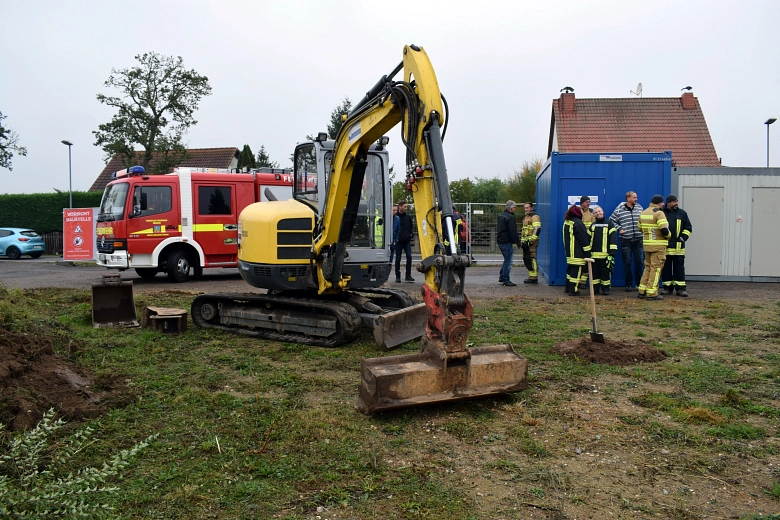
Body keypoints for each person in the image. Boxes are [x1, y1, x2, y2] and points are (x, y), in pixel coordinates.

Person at [610, 191, 644, 291]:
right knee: (627, 263)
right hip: (626, 240)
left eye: (636, 197)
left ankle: (639, 284)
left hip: (638, 239)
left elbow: (643, 220)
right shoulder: (620, 209)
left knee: (639, 262)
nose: (636, 199)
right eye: (634, 197)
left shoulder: (639, 208)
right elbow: (612, 220)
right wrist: (619, 229)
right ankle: (628, 284)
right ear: (628, 198)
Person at [638, 194, 671, 300]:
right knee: (656, 269)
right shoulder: (659, 213)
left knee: (647, 267)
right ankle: (652, 293)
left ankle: (642, 290)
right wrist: (669, 236)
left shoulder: (643, 213)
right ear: (660, 203)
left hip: (647, 245)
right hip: (658, 245)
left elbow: (640, 229)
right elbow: (664, 230)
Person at [662, 194, 692, 297]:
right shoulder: (662, 213)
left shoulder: (682, 213)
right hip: (665, 247)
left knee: (679, 269)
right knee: (666, 268)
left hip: (678, 247)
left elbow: (688, 227)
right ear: (668, 203)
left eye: (677, 201)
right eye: (674, 202)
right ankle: (667, 288)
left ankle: (681, 289)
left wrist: (683, 238)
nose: (676, 203)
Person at [563, 205, 591, 296]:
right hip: (577, 252)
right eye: (582, 211)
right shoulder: (578, 223)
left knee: (570, 271)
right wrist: (587, 252)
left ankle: (567, 288)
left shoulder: (567, 222)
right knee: (576, 272)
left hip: (569, 252)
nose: (583, 213)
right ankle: (573, 290)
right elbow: (584, 239)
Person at [589, 206, 617, 295]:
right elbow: (588, 239)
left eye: (599, 211)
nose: (598, 213)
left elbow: (613, 238)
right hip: (594, 256)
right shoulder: (592, 225)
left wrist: (612, 252)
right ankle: (595, 289)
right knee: (595, 274)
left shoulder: (610, 224)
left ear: (603, 211)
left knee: (605, 273)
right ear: (594, 215)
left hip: (606, 255)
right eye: (596, 212)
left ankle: (606, 289)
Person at [496, 200, 522, 286]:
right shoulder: (510, 217)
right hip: (506, 241)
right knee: (509, 261)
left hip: (500, 240)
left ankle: (502, 276)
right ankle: (506, 279)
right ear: (511, 208)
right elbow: (513, 231)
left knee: (506, 259)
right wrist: (518, 242)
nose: (515, 209)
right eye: (514, 207)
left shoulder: (501, 216)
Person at [521, 202, 541, 284]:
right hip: (526, 242)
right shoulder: (526, 217)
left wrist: (532, 240)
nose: (526, 209)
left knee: (532, 258)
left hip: (531, 242)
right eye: (525, 208)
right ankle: (531, 276)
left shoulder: (535, 217)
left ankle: (533, 277)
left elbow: (537, 229)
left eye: (527, 208)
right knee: (527, 258)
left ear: (532, 208)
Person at [395, 200, 414, 283]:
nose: (406, 208)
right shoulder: (396, 217)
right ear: (400, 206)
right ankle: (397, 276)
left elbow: (411, 226)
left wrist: (411, 234)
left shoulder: (408, 216)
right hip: (398, 241)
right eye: (405, 206)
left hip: (406, 240)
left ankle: (408, 275)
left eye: (406, 206)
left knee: (409, 256)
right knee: (398, 258)